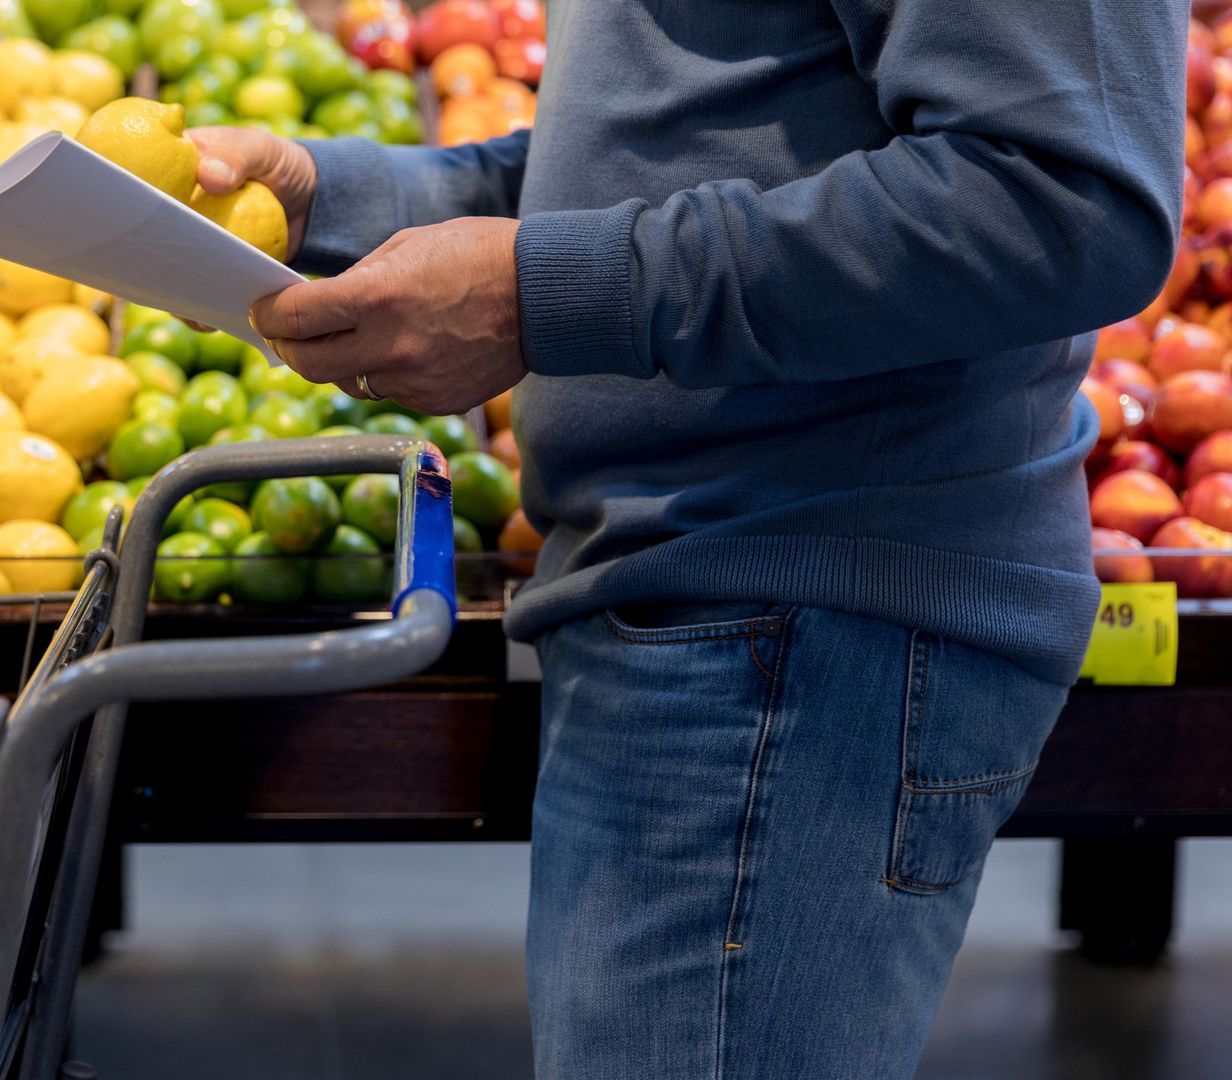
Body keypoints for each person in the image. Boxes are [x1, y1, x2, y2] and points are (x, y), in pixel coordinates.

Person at [189, 2, 1188, 1076]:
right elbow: (690, 142)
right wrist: (339, 206)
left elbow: (1061, 201)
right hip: (715, 613)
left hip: (791, 628)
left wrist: (545, 293)